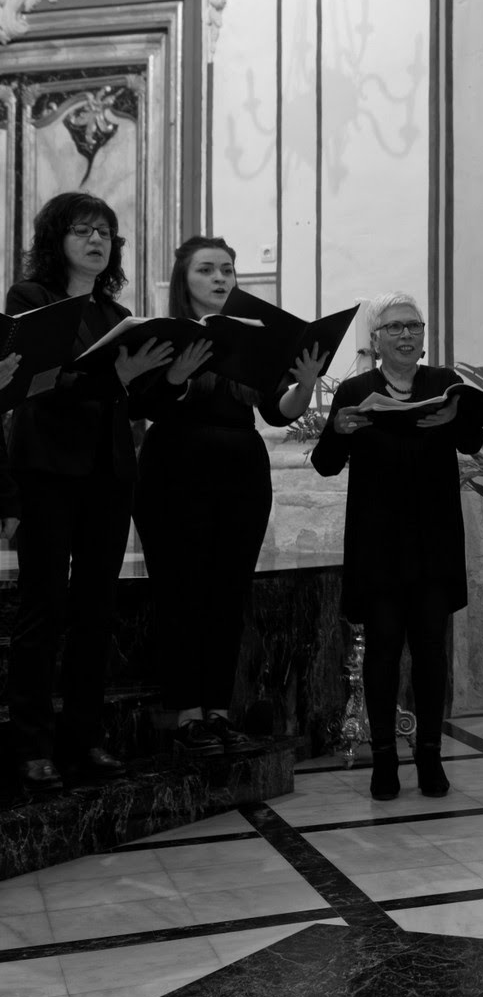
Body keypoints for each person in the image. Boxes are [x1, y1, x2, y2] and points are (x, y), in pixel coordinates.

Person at [4, 192, 176, 790]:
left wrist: (165, 376)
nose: (97, 240)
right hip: (49, 464)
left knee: (96, 612)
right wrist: (116, 377)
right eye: (82, 230)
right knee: (43, 606)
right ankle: (30, 747)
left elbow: (134, 397)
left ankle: (84, 739)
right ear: (57, 240)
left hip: (109, 470)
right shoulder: (30, 300)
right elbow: (40, 382)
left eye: (105, 232)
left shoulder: (114, 312)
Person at [133, 237, 324, 754]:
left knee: (226, 595)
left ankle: (217, 711)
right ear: (184, 280)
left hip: (241, 470)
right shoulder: (162, 335)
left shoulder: (252, 339)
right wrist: (176, 373)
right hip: (175, 468)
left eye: (227, 270)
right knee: (180, 594)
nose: (220, 278)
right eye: (207, 270)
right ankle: (186, 714)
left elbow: (278, 411)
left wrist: (304, 383)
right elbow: (143, 402)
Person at [311, 292, 483, 800]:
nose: (406, 334)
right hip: (378, 542)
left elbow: (474, 443)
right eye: (394, 328)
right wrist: (340, 429)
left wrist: (454, 417)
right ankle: (383, 759)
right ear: (377, 340)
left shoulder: (443, 383)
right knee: (384, 650)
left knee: (431, 651)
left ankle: (429, 755)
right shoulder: (355, 389)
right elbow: (325, 463)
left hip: (434, 540)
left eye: (414, 326)